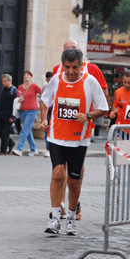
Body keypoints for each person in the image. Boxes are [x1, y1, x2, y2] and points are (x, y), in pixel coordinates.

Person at [40, 47, 109, 235]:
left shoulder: (90, 81)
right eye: (67, 67)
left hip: (79, 139)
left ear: (81, 66)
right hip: (56, 136)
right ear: (63, 66)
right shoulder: (56, 79)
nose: (70, 72)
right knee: (57, 173)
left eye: (75, 68)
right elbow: (45, 100)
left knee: (73, 181)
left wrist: (87, 115)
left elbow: (103, 108)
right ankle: (54, 217)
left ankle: (71, 217)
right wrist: (44, 119)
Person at [12, 70, 42, 157]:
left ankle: (19, 149)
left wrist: (40, 104)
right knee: (28, 131)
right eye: (25, 75)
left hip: (32, 111)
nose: (26, 76)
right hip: (22, 111)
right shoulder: (20, 87)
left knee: (24, 130)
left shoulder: (34, 86)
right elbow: (18, 97)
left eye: (28, 75)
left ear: (31, 77)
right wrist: (19, 99)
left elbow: (43, 94)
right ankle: (33, 149)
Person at [0, 74, 17, 155]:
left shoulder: (13, 90)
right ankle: (10, 142)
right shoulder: (3, 90)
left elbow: (16, 105)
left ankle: (3, 150)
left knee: (5, 133)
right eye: (2, 81)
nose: (3, 83)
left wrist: (13, 116)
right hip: (1, 114)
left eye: (4, 81)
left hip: (9, 116)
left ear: (9, 81)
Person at [42, 71, 53, 158]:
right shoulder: (45, 87)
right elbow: (43, 100)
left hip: (54, 110)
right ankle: (48, 149)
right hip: (48, 110)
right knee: (47, 130)